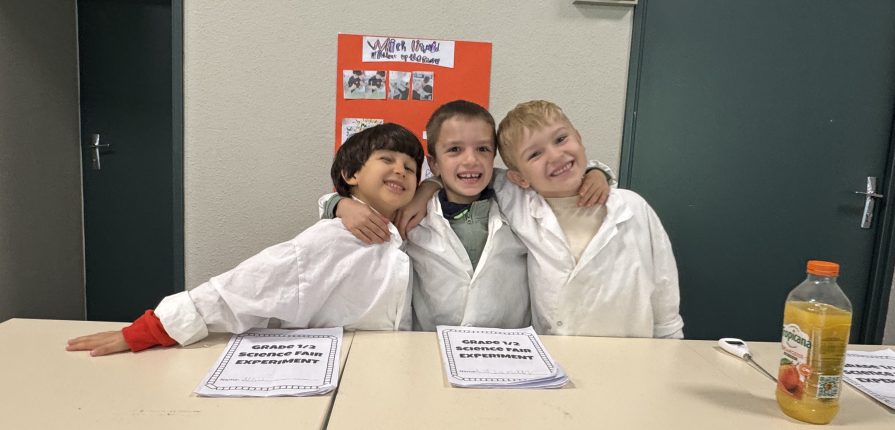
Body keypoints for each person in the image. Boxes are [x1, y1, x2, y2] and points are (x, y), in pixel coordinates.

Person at [67, 123, 425, 356]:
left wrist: (431, 187)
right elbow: (243, 288)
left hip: (392, 365)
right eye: (387, 160)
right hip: (333, 367)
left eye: (411, 168)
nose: (400, 170)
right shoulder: (333, 238)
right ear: (351, 175)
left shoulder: (410, 229)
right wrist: (148, 331)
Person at [321, 100, 612, 330]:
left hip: (509, 350)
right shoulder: (409, 208)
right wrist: (339, 204)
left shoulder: (515, 194)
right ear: (433, 162)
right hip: (430, 347)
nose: (470, 160)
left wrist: (596, 172)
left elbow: (558, 177)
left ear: (494, 157)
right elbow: (359, 205)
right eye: (455, 150)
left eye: (483, 149)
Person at [406, 100, 683, 339]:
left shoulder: (632, 207)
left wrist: (597, 170)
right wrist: (428, 187)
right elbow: (468, 175)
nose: (555, 155)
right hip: (535, 354)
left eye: (561, 139)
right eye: (535, 154)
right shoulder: (518, 201)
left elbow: (665, 294)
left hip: (626, 355)